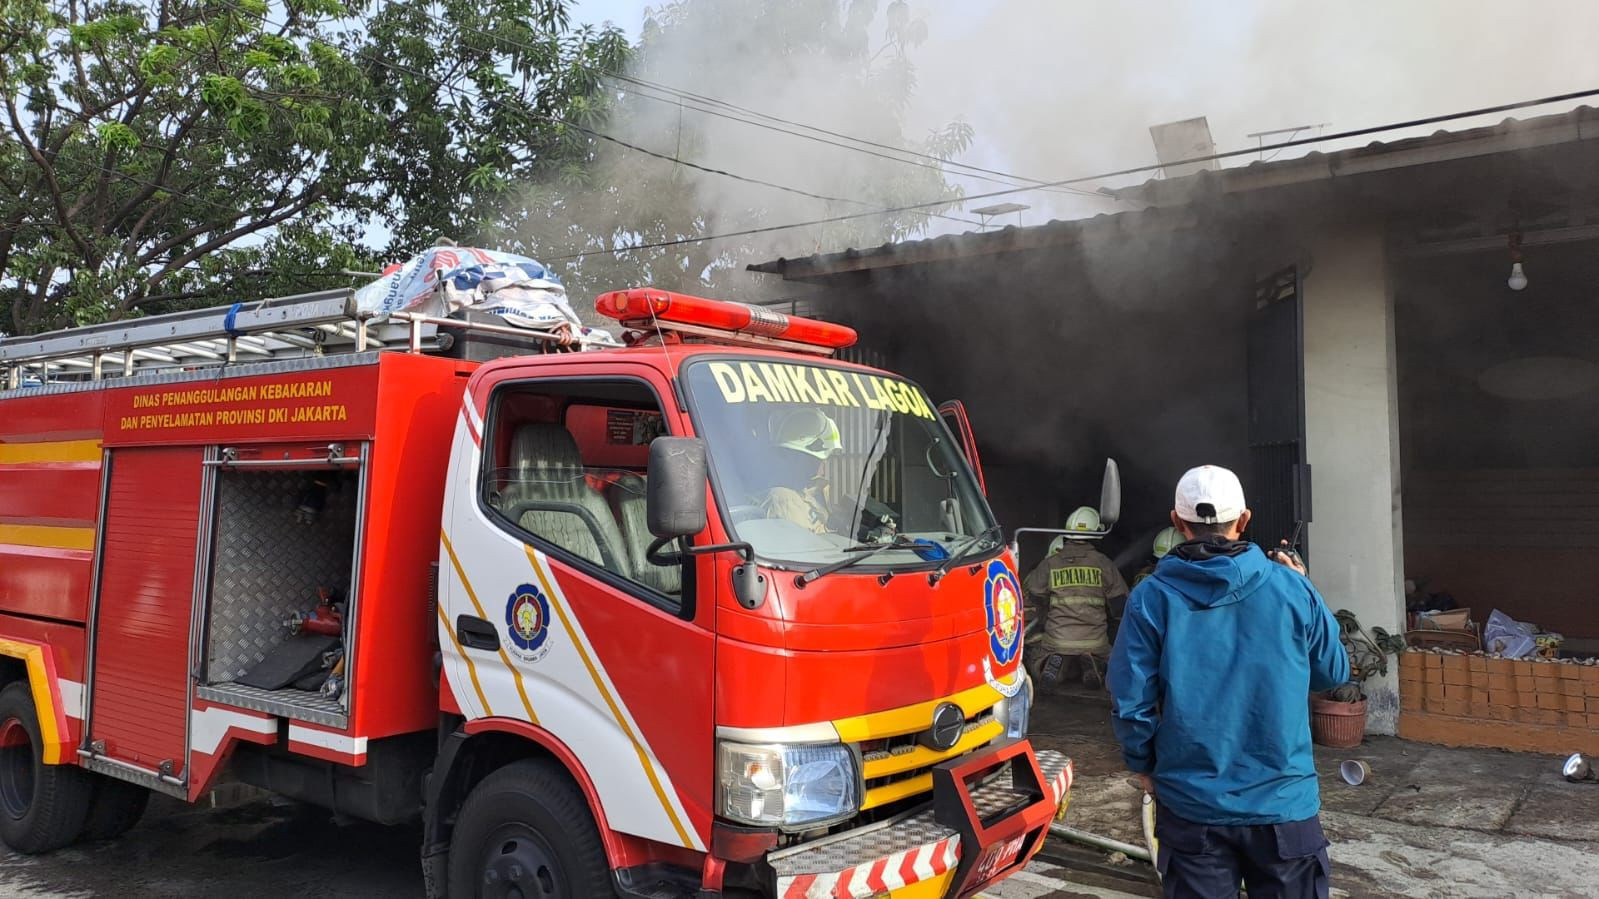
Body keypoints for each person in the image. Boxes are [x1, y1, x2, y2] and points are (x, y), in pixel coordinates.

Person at [1108, 465, 1349, 899]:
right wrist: (1306, 588)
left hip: (1192, 806)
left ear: (1178, 523)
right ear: (1243, 520)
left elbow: (1131, 699)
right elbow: (1332, 672)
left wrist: (1142, 763)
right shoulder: (1292, 589)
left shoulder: (1151, 597)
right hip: (1283, 804)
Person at [1023, 506, 1129, 690]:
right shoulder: (1103, 563)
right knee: (1114, 662)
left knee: (1035, 657)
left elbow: (1033, 595)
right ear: (1095, 535)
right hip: (1095, 641)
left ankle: (1051, 664)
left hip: (1057, 639)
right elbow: (1121, 604)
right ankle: (1096, 664)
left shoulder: (1050, 563)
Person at [758, 409, 842, 534]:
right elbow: (809, 546)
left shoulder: (807, 492)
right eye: (820, 461)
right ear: (799, 458)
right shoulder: (784, 498)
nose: (824, 468)